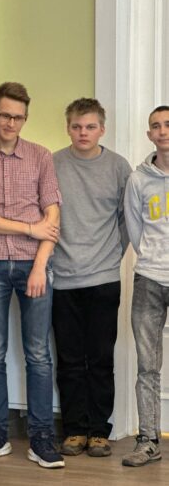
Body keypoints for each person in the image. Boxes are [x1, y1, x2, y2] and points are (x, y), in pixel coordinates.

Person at [0, 82, 64, 468]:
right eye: (5, 115)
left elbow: (52, 217)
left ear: (25, 119)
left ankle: (41, 438)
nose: (10, 123)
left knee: (38, 353)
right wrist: (28, 228)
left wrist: (39, 264)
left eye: (18, 117)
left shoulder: (41, 156)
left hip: (33, 264)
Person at [52, 98, 132, 458]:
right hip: (62, 278)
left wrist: (113, 256)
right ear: (68, 128)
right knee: (69, 360)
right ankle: (74, 430)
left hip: (103, 278)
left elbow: (128, 219)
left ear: (102, 129)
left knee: (100, 359)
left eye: (90, 127)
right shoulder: (52, 164)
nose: (83, 133)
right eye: (76, 126)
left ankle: (99, 431)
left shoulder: (118, 167)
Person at [122, 105, 169, 467]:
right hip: (150, 279)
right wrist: (153, 257)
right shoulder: (138, 180)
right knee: (147, 366)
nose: (163, 130)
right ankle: (149, 440)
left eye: (168, 124)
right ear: (149, 135)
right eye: (156, 126)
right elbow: (134, 229)